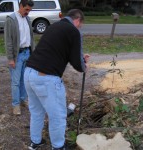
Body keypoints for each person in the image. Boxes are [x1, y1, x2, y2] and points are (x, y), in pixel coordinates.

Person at [24, 9, 89, 150]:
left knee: (36, 112)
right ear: (77, 20)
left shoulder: (54, 26)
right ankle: (58, 147)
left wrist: (79, 59)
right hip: (46, 78)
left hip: (29, 73)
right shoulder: (73, 31)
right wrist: (84, 66)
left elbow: (65, 53)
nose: (79, 28)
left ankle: (35, 142)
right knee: (58, 116)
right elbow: (77, 63)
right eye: (80, 25)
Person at [4, 0, 34, 115]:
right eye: (26, 9)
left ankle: (23, 99)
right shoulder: (11, 19)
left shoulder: (27, 19)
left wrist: (32, 54)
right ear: (20, 6)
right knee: (15, 82)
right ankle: (15, 105)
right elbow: (8, 41)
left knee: (25, 80)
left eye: (29, 10)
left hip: (27, 53)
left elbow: (31, 38)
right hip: (17, 55)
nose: (28, 12)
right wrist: (11, 58)